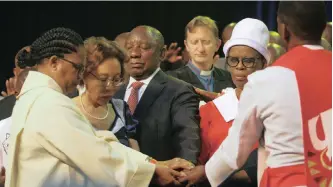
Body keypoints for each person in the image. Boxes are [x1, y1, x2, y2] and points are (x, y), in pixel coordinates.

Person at [6, 27, 184, 187]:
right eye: (77, 68)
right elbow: (96, 155)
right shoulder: (48, 102)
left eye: (116, 79)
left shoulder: (35, 97)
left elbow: (97, 142)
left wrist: (154, 164)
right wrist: (152, 172)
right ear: (54, 62)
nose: (79, 77)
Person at [204, 1, 331, 187]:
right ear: (323, 27)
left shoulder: (265, 80)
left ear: (284, 30)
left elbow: (236, 150)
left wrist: (205, 174)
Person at [179, 18, 269, 187]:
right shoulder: (212, 109)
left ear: (263, 63)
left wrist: (209, 173)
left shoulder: (275, 107)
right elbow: (200, 161)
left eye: (248, 61)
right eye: (233, 60)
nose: (239, 67)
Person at [114, 25, 200, 167]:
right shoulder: (113, 90)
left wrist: (184, 169)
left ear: (162, 53)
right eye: (129, 47)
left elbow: (187, 139)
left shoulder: (179, 91)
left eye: (144, 47)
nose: (134, 53)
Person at [72, 36, 140, 150]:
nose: (110, 87)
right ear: (84, 75)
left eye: (116, 79)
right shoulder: (68, 110)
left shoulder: (121, 109)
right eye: (103, 79)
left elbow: (137, 157)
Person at [168, 16, 234, 98]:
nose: (200, 49)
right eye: (194, 42)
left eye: (206, 42)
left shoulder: (230, 79)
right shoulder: (173, 80)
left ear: (217, 45)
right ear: (187, 45)